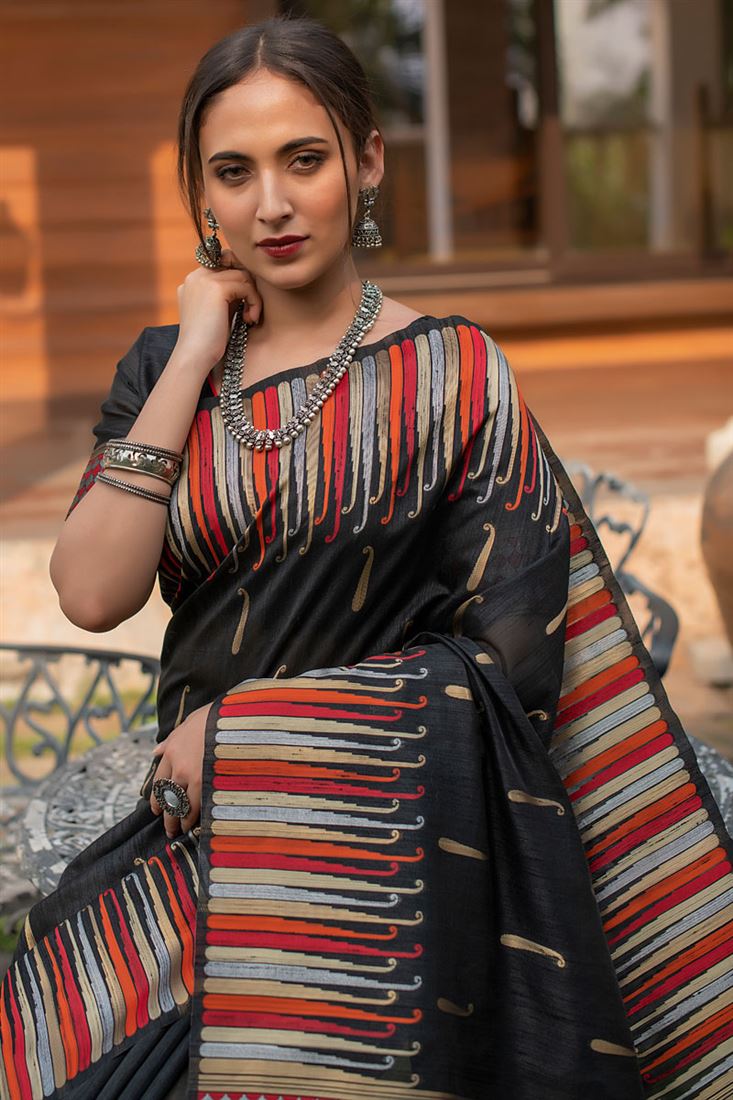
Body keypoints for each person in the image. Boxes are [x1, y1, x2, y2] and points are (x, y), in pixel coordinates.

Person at [1, 15, 731, 1100]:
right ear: (201, 192)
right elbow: (92, 589)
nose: (272, 204)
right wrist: (194, 352)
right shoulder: (162, 369)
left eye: (304, 159)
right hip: (194, 839)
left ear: (368, 161)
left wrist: (252, 734)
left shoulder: (454, 374)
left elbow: (514, 662)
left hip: (378, 851)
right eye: (234, 172)